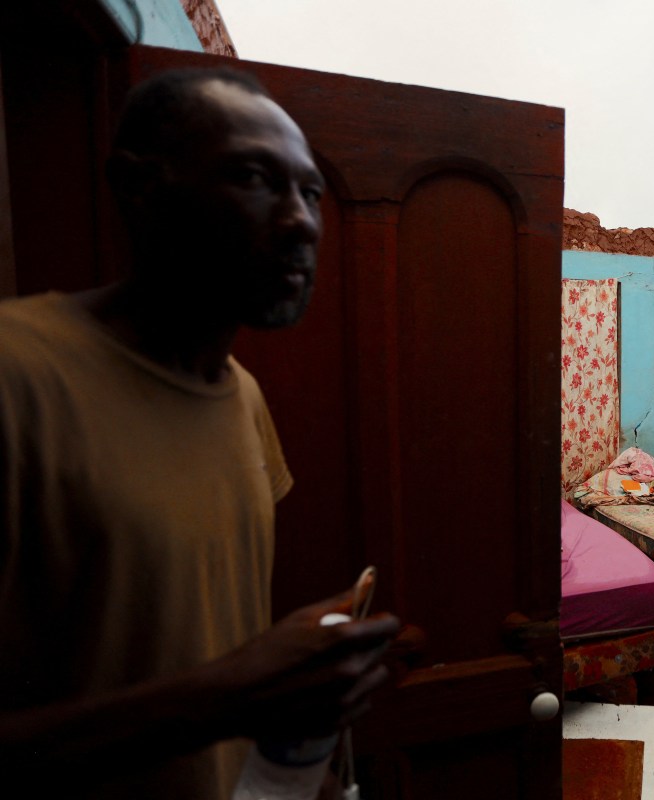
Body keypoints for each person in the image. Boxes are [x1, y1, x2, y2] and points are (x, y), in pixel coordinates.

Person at [0, 67, 401, 798]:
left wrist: (296, 716)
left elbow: (197, 630)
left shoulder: (241, 395)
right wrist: (228, 697)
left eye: (309, 192)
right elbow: (219, 685)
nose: (302, 221)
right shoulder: (18, 377)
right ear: (139, 186)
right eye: (253, 177)